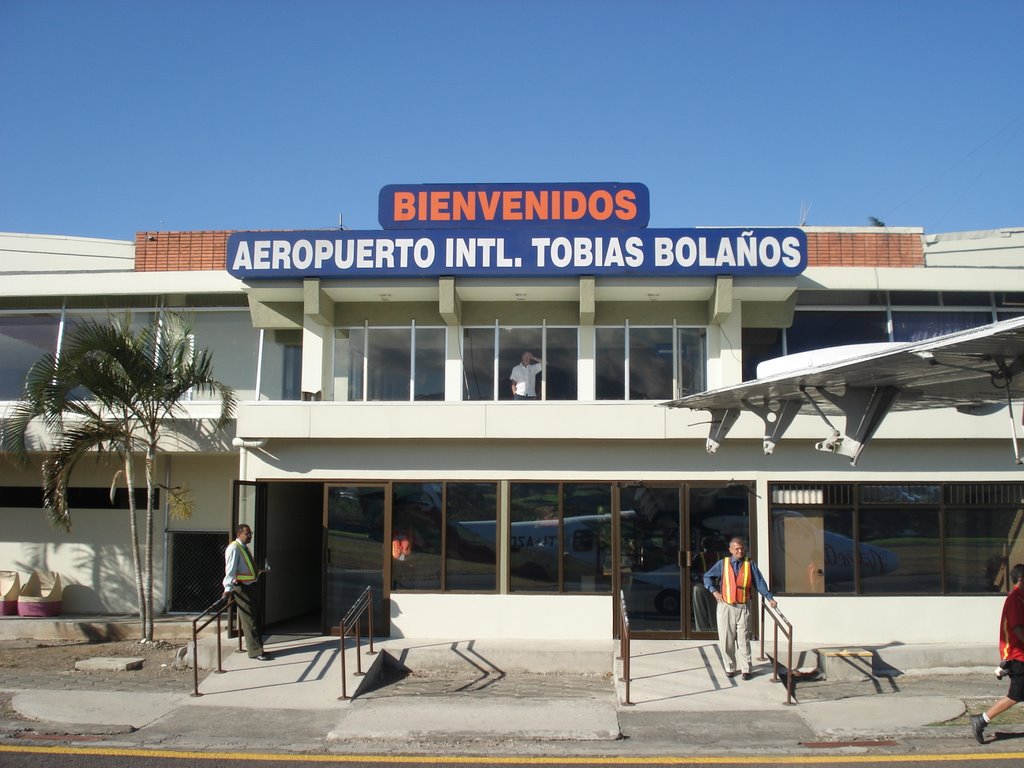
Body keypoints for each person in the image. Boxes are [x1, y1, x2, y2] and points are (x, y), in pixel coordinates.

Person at [703, 536, 777, 680]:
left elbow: (759, 582)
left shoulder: (750, 564)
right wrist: (715, 592)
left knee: (744, 639)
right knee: (726, 639)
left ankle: (746, 669)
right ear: (730, 550)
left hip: (743, 607)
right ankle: (730, 667)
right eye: (736, 549)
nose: (740, 551)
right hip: (726, 606)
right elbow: (707, 577)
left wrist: (769, 598)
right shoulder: (722, 564)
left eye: (741, 548)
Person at [971, 562, 1024, 744]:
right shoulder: (1014, 599)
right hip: (1017, 655)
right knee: (1016, 695)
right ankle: (981, 720)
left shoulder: (1020, 598)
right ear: (1021, 579)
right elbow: (1017, 629)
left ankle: (981, 719)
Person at [223, 523, 272, 661]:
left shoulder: (244, 548)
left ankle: (258, 648)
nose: (250, 536)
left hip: (251, 585)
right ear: (239, 534)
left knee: (255, 618)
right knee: (249, 620)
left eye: (251, 533)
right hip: (242, 588)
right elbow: (230, 570)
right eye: (247, 533)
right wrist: (227, 589)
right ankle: (256, 651)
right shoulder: (234, 548)